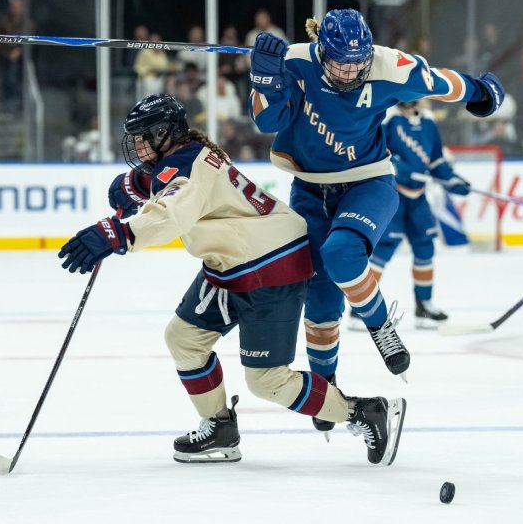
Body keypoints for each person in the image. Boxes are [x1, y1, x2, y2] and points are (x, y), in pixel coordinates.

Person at [57, 94, 407, 464]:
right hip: (233, 261)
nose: (138, 144)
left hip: (270, 267)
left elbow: (172, 213)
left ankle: (364, 412)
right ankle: (220, 427)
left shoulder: (187, 170)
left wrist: (117, 234)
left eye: (145, 136)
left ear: (165, 133)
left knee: (267, 380)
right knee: (185, 338)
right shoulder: (188, 154)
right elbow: (171, 182)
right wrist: (138, 185)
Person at [247, 9, 503, 433]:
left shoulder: (388, 65)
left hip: (368, 181)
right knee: (320, 294)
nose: (351, 71)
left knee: (342, 254)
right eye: (341, 62)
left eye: (358, 62)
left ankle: (381, 327)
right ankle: (325, 389)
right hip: (309, 188)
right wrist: (265, 79)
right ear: (321, 52)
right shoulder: (294, 62)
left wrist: (479, 91)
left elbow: (438, 81)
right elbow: (266, 120)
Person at [347, 101, 470, 331]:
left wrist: (451, 179)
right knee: (383, 249)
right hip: (392, 195)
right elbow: (371, 150)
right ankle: (361, 310)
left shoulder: (429, 121)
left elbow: (436, 161)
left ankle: (424, 306)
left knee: (425, 248)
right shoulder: (388, 117)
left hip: (418, 197)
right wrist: (395, 165)